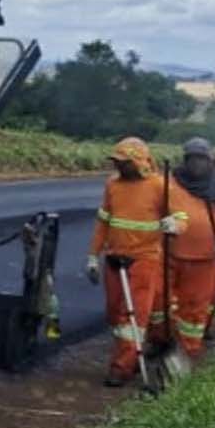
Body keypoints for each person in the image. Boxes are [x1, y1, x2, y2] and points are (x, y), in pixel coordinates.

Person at [84, 136, 196, 386]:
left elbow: (182, 218)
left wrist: (174, 225)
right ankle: (131, 357)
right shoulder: (112, 185)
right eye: (117, 162)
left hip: (144, 259)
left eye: (124, 162)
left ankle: (121, 367)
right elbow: (104, 221)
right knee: (115, 314)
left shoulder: (160, 185)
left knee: (132, 316)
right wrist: (93, 255)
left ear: (139, 162)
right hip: (114, 257)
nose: (119, 167)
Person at [168, 137, 215, 361]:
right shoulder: (170, 182)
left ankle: (188, 351)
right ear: (185, 160)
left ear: (210, 160)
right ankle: (165, 341)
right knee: (164, 304)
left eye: (201, 159)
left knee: (194, 307)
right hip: (170, 255)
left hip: (204, 259)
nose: (196, 164)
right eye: (191, 159)